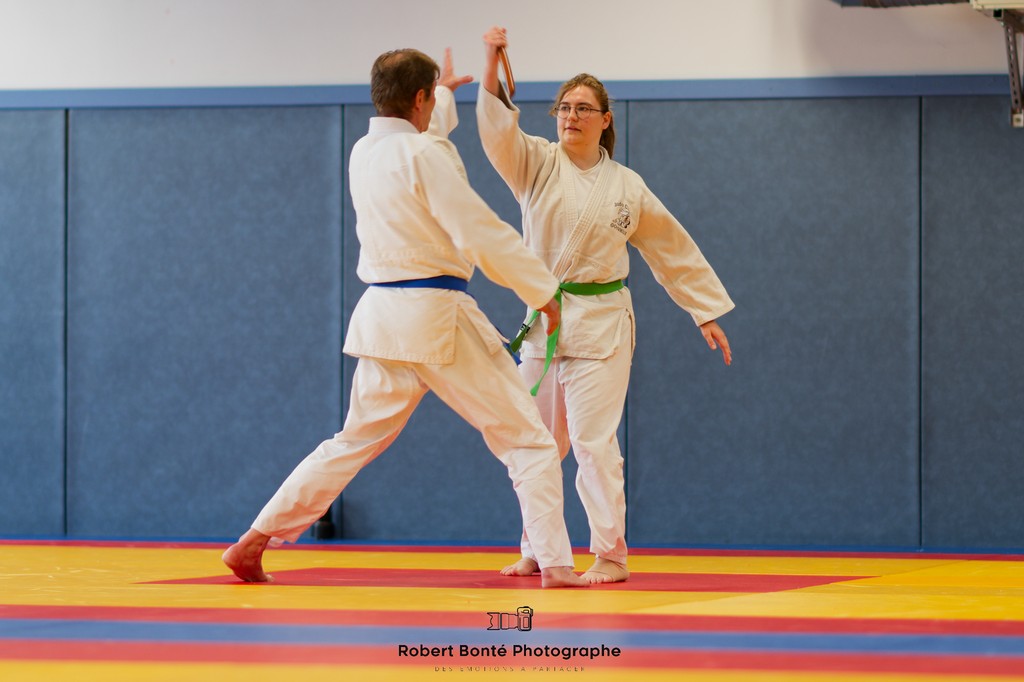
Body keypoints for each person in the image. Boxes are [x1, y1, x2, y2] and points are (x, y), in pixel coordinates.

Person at [223, 47, 589, 589]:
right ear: (419, 99)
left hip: (384, 320)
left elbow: (418, 146)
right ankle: (555, 564)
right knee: (528, 441)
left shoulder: (365, 151)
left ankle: (253, 540)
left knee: (352, 440)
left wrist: (443, 94)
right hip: (437, 317)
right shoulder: (424, 155)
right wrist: (542, 290)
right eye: (430, 98)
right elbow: (479, 231)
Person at [477, 27, 735, 584]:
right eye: (564, 108)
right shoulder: (535, 163)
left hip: (602, 325)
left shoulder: (626, 187)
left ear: (605, 120)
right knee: (534, 443)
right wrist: (492, 60)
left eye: (583, 109)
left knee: (593, 444)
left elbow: (670, 247)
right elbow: (498, 131)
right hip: (544, 321)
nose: (570, 116)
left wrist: (704, 310)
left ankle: (610, 554)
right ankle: (538, 547)